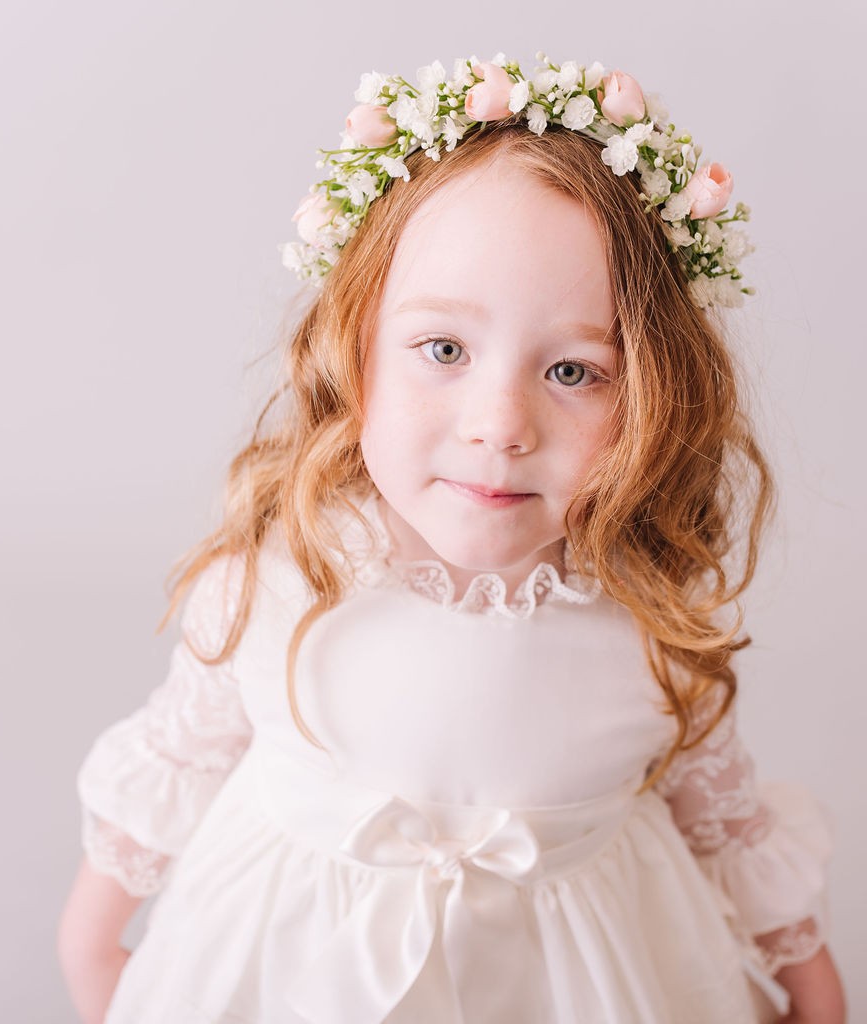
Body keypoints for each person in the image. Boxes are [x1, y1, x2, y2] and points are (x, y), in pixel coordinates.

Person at [57, 52, 846, 1023]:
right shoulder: (280, 576)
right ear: (355, 349)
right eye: (443, 350)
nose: (499, 422)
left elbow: (725, 824)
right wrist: (95, 942)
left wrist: (808, 980)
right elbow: (171, 764)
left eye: (571, 372)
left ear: (649, 395)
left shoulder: (649, 621)